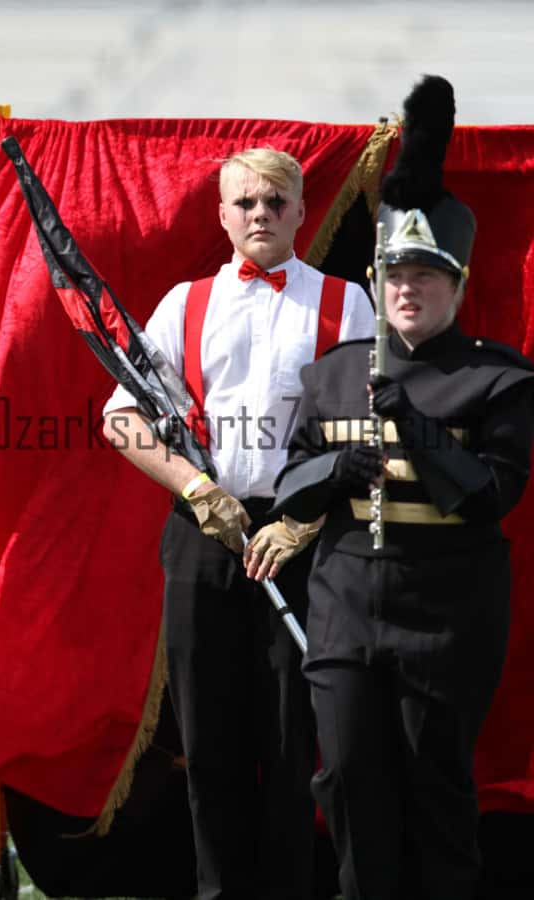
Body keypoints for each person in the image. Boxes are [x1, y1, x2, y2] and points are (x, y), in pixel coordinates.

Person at [248, 77, 534, 900]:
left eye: (426, 275)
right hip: (343, 614)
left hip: (446, 618)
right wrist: (333, 473)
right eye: (394, 273)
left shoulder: (498, 380)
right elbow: (289, 481)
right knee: (345, 785)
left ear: (458, 281)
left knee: (434, 791)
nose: (407, 288)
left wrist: (413, 425)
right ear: (376, 280)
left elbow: (488, 498)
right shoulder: (334, 374)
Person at [102, 146, 375, 900]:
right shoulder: (181, 305)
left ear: (300, 211)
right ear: (222, 214)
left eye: (276, 202)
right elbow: (119, 418)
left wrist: (306, 517)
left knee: (293, 742)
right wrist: (195, 487)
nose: (261, 215)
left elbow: (369, 421)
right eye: (246, 203)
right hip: (203, 538)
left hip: (304, 541)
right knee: (209, 740)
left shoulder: (347, 303)